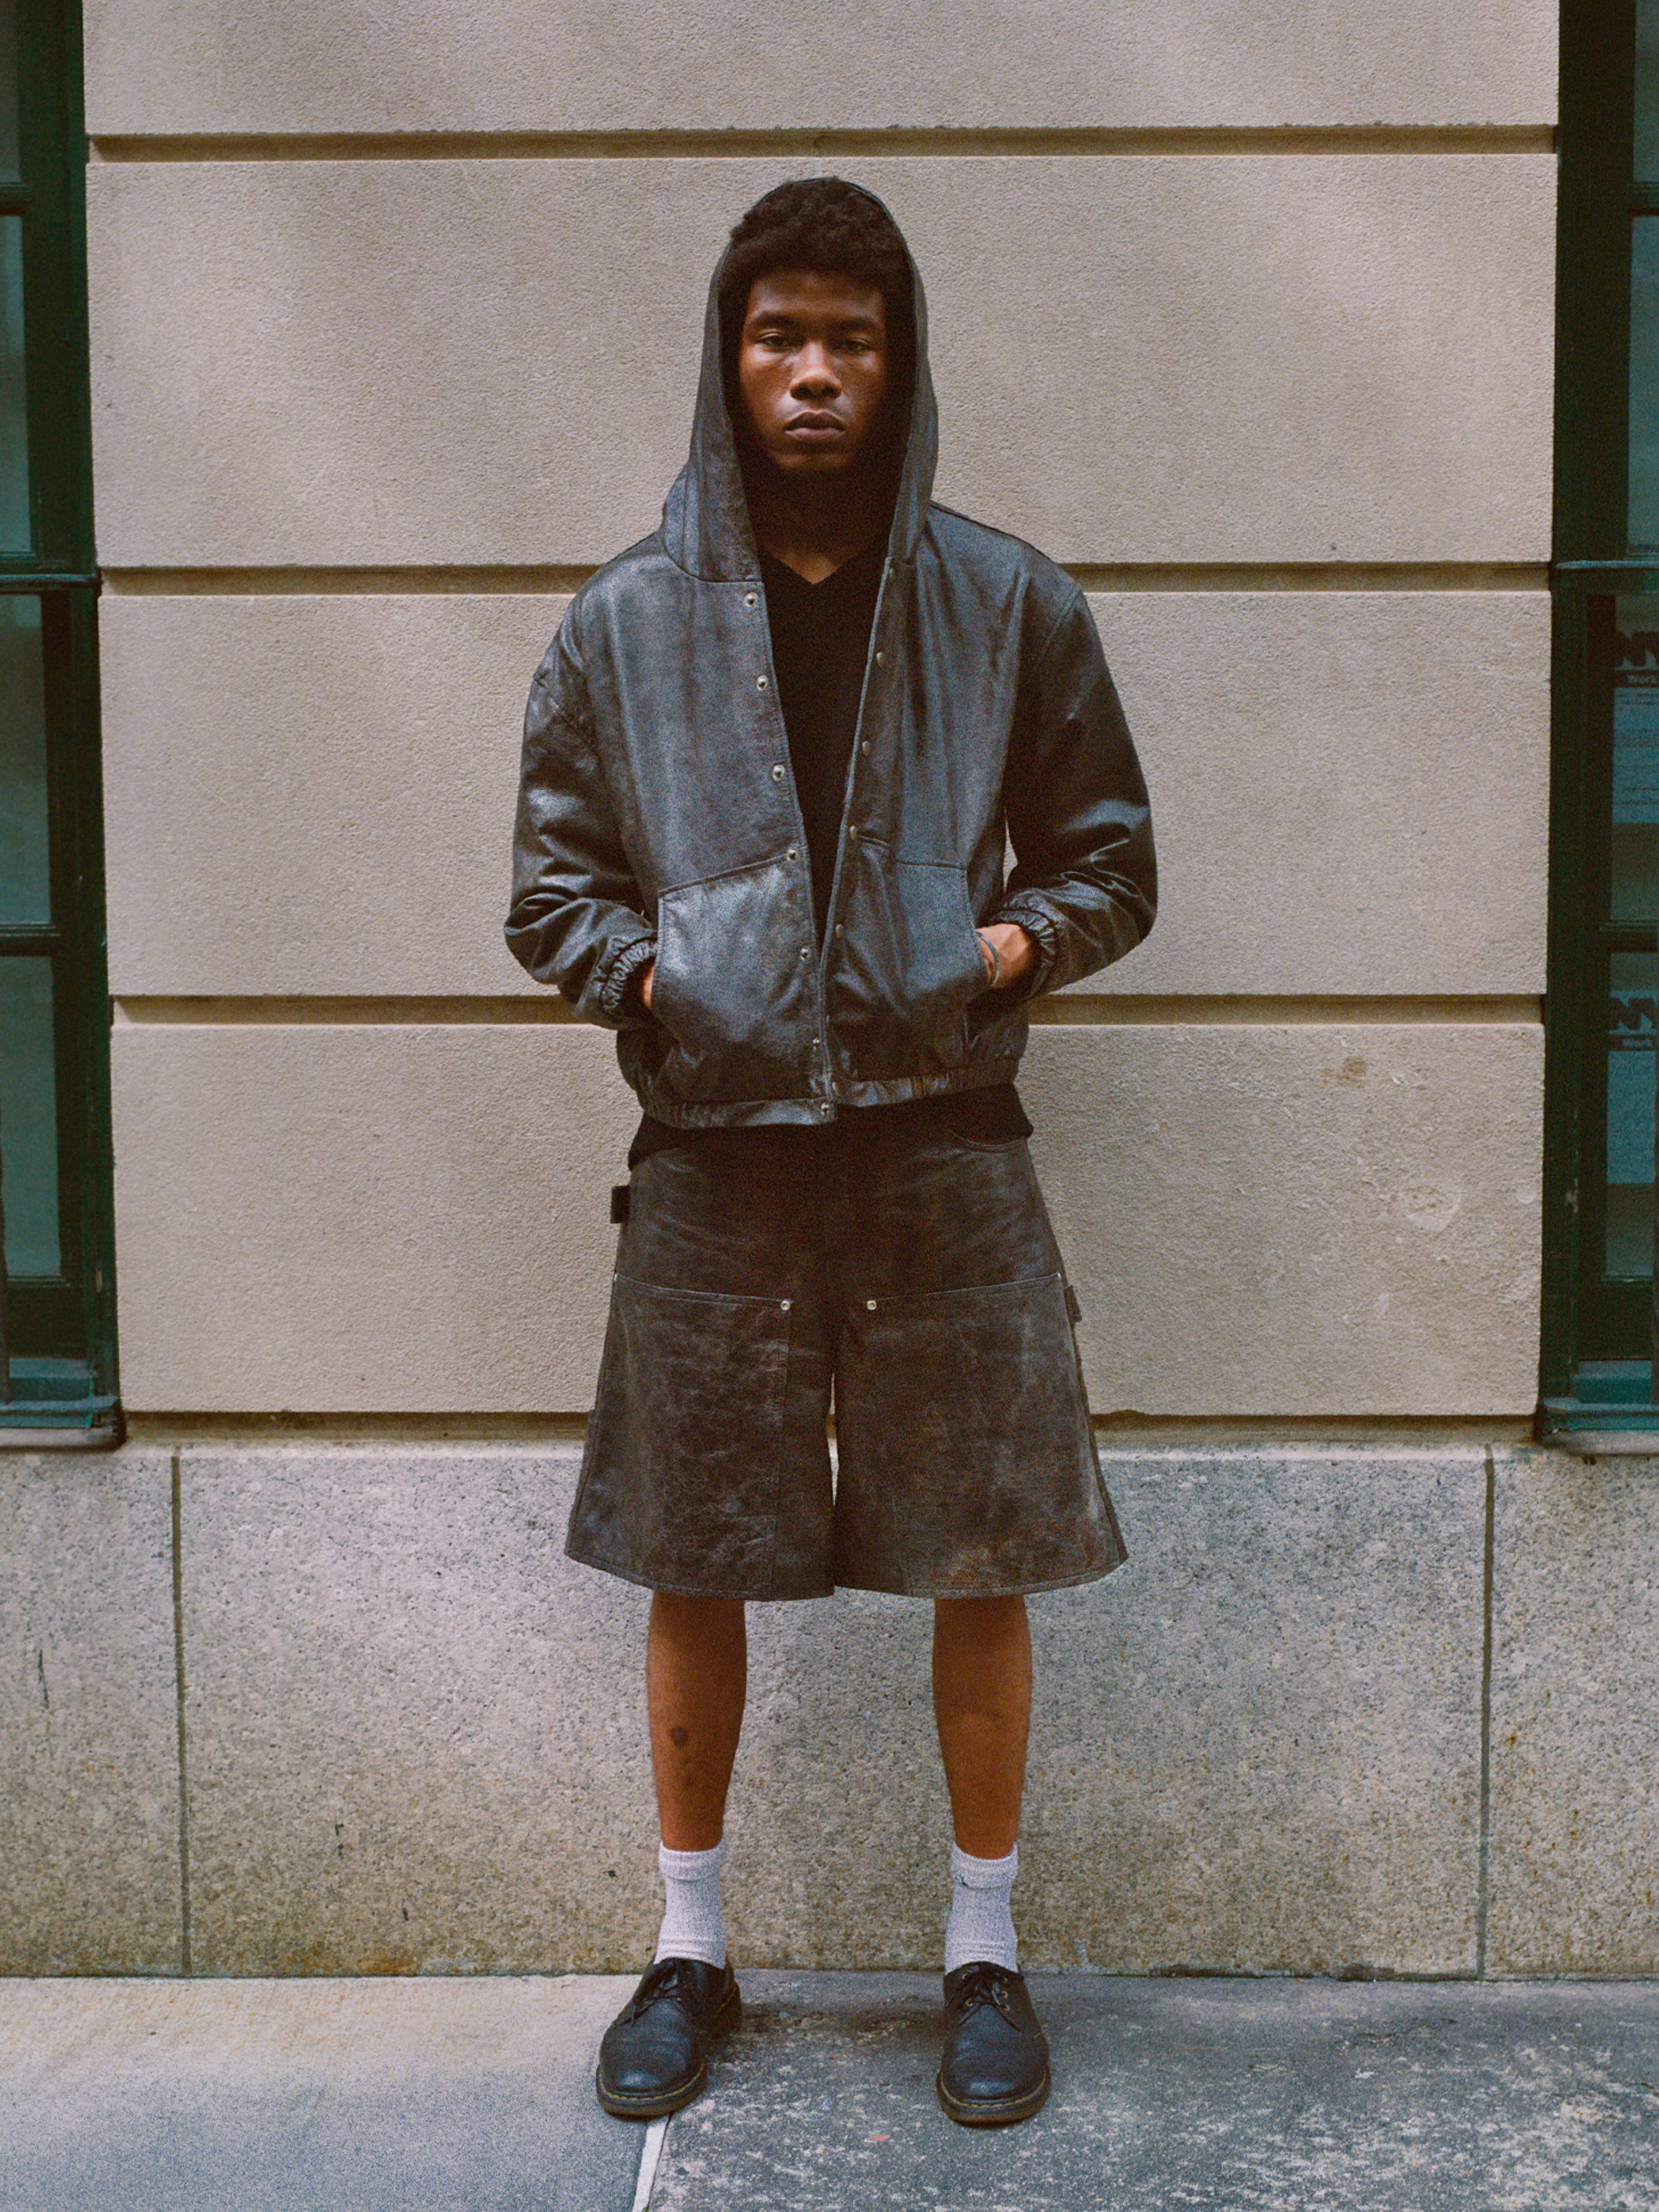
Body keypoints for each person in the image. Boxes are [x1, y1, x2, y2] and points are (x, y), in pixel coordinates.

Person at [506, 177, 1155, 2129]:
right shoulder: (623, 626)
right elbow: (550, 891)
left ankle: (983, 1952)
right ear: (730, 356)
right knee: (687, 1548)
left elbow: (1112, 857)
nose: (811, 375)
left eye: (847, 341)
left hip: (946, 1140)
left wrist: (1001, 950)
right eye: (778, 336)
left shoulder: (1006, 600)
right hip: (713, 1151)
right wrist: (665, 985)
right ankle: (690, 1947)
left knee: (985, 1550)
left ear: (900, 362)